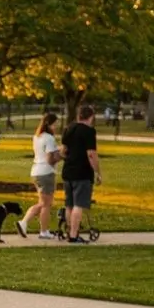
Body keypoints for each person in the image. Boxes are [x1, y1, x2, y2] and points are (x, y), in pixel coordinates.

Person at [17, 112, 62, 240]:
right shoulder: (49, 138)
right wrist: (62, 156)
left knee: (42, 203)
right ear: (49, 124)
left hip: (36, 171)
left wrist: (57, 150)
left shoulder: (37, 137)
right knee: (46, 204)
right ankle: (42, 231)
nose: (56, 127)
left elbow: (44, 152)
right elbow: (50, 159)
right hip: (46, 173)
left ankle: (24, 223)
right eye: (55, 124)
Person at [61, 103, 101, 245]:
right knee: (79, 204)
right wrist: (97, 172)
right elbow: (91, 154)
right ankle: (74, 235)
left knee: (69, 205)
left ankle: (69, 232)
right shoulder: (89, 132)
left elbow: (63, 151)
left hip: (68, 171)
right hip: (82, 172)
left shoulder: (69, 129)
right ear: (91, 117)